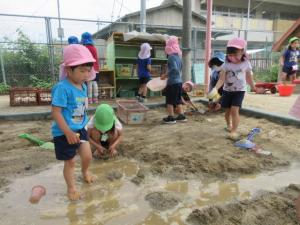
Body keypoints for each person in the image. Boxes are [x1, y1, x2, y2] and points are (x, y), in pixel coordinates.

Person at [51, 44, 96, 201]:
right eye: (81, 70)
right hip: (64, 132)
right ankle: (71, 189)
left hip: (80, 129)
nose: (86, 74)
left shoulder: (83, 85)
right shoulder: (62, 88)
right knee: (70, 162)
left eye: (88, 70)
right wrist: (68, 132)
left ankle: (85, 172)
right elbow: (56, 112)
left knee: (87, 156)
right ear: (69, 70)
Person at [211, 37, 256, 140]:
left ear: (242, 51)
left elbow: (249, 77)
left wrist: (254, 87)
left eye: (236, 54)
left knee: (234, 110)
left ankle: (234, 131)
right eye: (230, 55)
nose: (233, 57)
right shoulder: (226, 65)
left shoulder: (246, 64)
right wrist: (215, 89)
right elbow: (221, 80)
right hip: (227, 91)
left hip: (239, 91)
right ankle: (228, 125)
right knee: (227, 112)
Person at [161, 36, 186, 124]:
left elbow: (174, 69)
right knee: (178, 99)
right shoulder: (179, 57)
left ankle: (171, 117)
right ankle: (181, 116)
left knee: (169, 101)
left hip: (172, 82)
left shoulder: (171, 57)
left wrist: (165, 75)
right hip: (179, 81)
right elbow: (179, 68)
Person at [81, 32, 100, 104]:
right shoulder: (94, 48)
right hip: (96, 68)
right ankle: (96, 99)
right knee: (95, 83)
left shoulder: (85, 48)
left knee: (89, 83)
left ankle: (89, 99)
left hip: (89, 68)